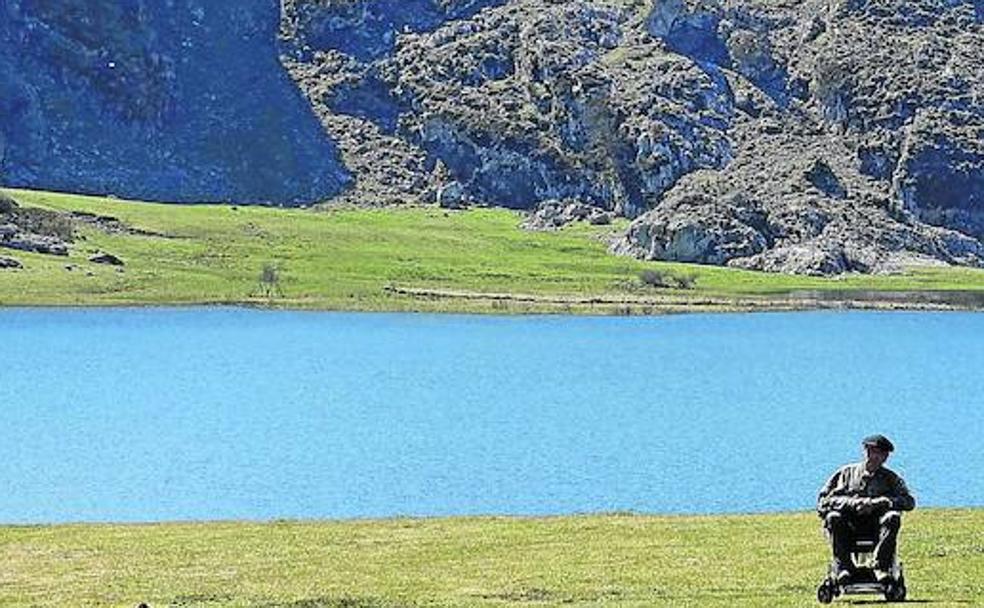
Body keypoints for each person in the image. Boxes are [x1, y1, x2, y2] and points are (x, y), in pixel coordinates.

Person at [817, 434, 915, 584]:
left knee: (893, 517)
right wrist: (853, 503)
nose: (875, 457)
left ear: (885, 457)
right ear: (865, 452)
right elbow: (823, 501)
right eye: (871, 452)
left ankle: (880, 567)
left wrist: (879, 503)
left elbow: (909, 501)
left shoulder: (891, 478)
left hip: (877, 527)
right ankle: (844, 568)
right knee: (833, 517)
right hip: (849, 526)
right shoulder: (845, 474)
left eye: (880, 454)